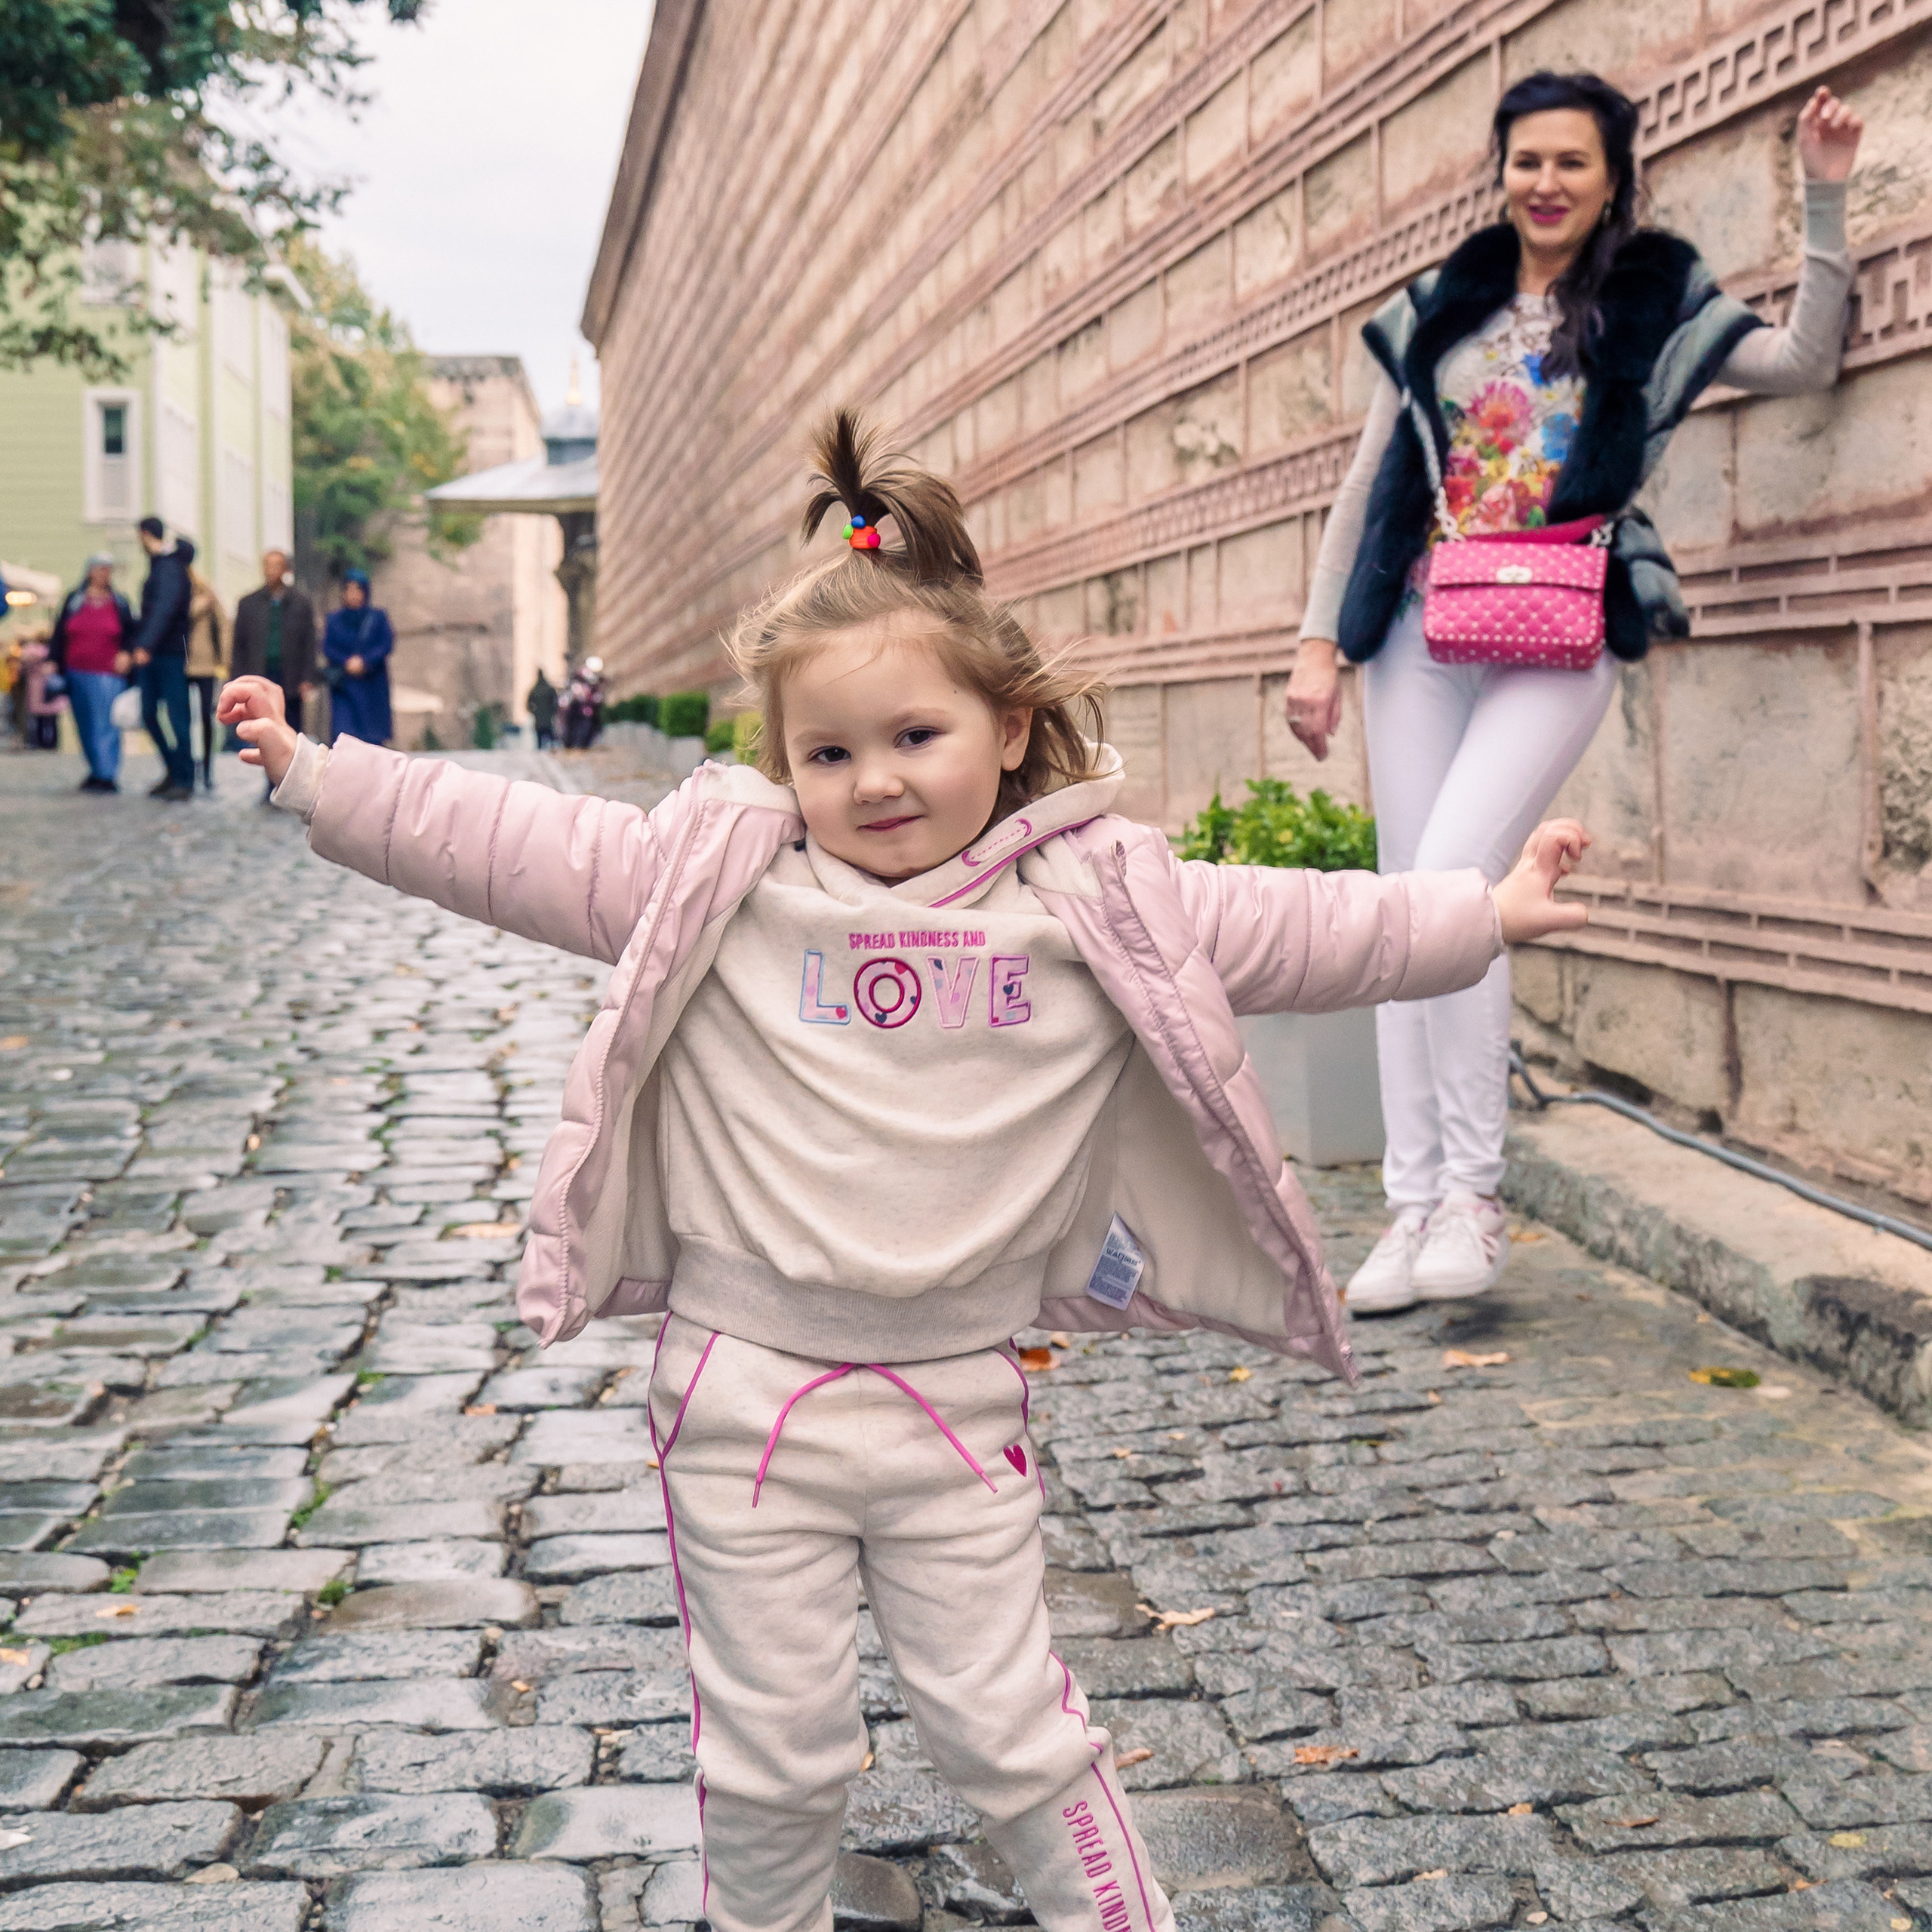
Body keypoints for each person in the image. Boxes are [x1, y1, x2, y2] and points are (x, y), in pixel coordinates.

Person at [223, 408, 1591, 1932]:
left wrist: (1482, 909)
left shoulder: (1091, 896)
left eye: (913, 737)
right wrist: (317, 776)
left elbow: (1298, 927)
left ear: (1006, 730)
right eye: (827, 750)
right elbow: (506, 839)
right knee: (770, 1750)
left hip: (957, 1391)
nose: (872, 780)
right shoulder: (724, 877)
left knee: (1012, 1731)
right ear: (780, 760)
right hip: (742, 1392)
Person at [1284, 75, 1864, 1316]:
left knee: (1459, 886)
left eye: (1571, 163)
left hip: (1559, 629)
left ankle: (1476, 1201)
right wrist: (1316, 643)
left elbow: (1804, 362)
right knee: (1403, 907)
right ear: (1501, 171)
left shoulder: (1651, 299)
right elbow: (1370, 480)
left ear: (1613, 180)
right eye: (1525, 160)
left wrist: (1822, 195)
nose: (1544, 183)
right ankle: (1411, 1206)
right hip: (1420, 628)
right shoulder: (1448, 304)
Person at [232, 551, 318, 795]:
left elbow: (310, 642)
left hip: (290, 676)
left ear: (285, 569)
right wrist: (237, 680)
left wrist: (307, 678)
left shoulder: (300, 603)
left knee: (292, 729)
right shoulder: (248, 603)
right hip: (262, 676)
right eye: (268, 566)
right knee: (265, 731)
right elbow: (239, 646)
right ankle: (272, 782)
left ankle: (294, 782)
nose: (272, 571)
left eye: (277, 566)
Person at [49, 555, 133, 792]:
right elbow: (60, 632)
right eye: (100, 569)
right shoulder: (74, 600)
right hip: (76, 671)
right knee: (85, 723)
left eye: (108, 570)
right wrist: (53, 661)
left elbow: (130, 633)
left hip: (108, 673)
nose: (105, 574)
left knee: (106, 723)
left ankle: (107, 773)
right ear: (90, 572)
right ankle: (96, 769)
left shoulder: (119, 602)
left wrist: (126, 654)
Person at [129, 516, 198, 800]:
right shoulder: (164, 566)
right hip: (159, 652)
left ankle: (184, 776)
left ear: (145, 535)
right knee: (149, 713)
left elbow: (164, 609)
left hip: (167, 653)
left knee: (176, 716)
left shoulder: (167, 567)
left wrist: (145, 644)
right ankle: (174, 770)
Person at [322, 568, 394, 746]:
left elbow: (385, 643)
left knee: (371, 740)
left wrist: (365, 661)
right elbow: (327, 646)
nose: (353, 595)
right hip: (345, 686)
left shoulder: (377, 618)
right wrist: (346, 662)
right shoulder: (334, 620)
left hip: (372, 685)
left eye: (358, 590)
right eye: (349, 590)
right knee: (345, 736)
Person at [184, 564, 229, 792]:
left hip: (206, 665)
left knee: (205, 718)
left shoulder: (207, 594)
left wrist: (224, 660)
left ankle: (207, 770)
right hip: (181, 664)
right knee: (182, 719)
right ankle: (187, 768)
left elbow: (223, 626)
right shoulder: (177, 593)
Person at [561, 655, 605, 749]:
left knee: (590, 728)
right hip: (579, 709)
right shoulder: (579, 679)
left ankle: (582, 745)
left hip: (589, 710)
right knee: (578, 728)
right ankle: (577, 744)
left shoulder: (594, 681)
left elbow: (597, 694)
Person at [526, 668, 558, 750]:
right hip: (547, 717)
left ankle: (544, 749)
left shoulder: (534, 690)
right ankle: (551, 748)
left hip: (540, 717)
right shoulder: (549, 689)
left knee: (540, 737)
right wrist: (553, 712)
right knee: (549, 734)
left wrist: (533, 711)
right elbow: (555, 703)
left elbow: (528, 704)